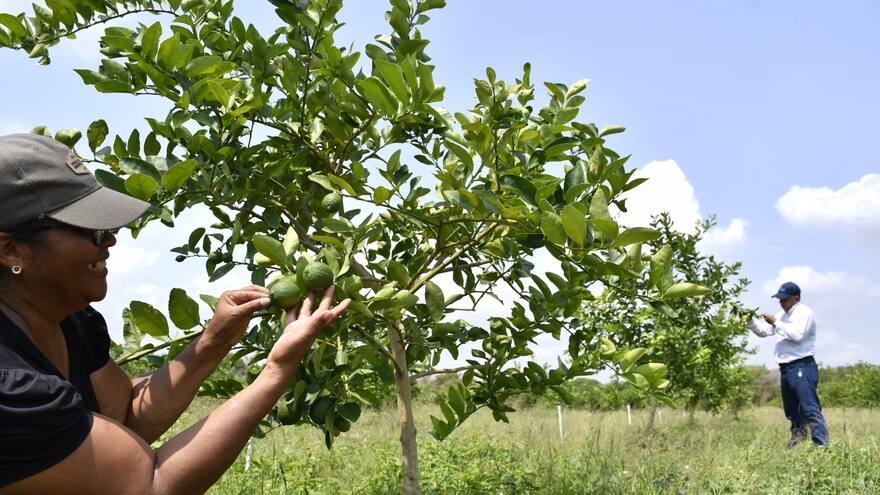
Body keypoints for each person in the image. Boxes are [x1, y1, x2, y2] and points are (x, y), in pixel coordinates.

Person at [0, 133, 350, 494]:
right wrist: (278, 369)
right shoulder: (8, 391)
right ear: (10, 250)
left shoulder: (71, 323)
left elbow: (125, 415)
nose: (110, 240)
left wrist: (215, 341)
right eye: (90, 230)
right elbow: (150, 485)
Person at [750, 281, 828, 448]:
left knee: (809, 408)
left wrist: (775, 322)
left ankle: (821, 446)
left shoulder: (805, 313)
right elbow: (763, 332)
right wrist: (750, 321)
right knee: (792, 410)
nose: (781, 302)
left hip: (802, 365)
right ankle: (797, 443)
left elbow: (798, 336)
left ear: (796, 298)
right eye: (779, 299)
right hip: (786, 368)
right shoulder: (781, 315)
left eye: (784, 299)